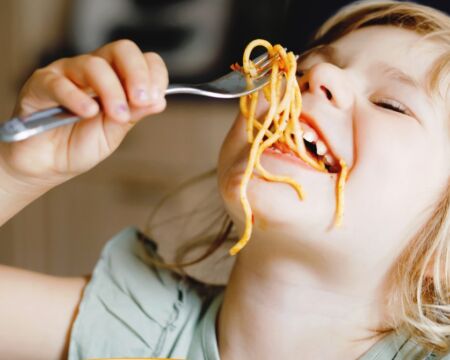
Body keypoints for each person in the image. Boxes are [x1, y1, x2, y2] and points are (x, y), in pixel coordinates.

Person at [1, 0, 449, 359]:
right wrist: (15, 169)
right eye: (302, 69)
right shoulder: (136, 328)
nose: (319, 77)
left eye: (392, 104)